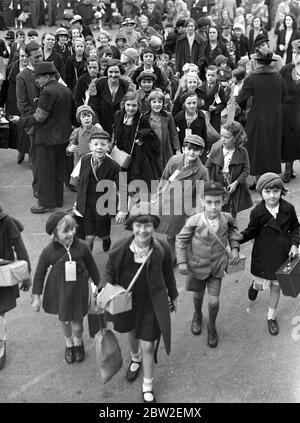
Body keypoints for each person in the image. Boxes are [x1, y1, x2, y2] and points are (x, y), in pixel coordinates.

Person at [103, 202, 178, 403]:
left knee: (148, 345)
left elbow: (168, 274)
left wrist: (174, 295)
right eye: (138, 225)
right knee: (131, 333)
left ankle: (147, 385)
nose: (143, 230)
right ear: (131, 225)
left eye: (148, 226)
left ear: (154, 227)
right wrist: (103, 287)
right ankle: (134, 357)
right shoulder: (120, 247)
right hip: (126, 301)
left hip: (151, 303)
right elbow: (109, 269)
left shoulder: (161, 248)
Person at [176, 181, 241, 347]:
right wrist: (182, 261)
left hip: (217, 266)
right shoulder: (195, 220)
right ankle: (197, 315)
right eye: (209, 202)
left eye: (217, 202)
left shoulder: (227, 218)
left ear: (223, 201)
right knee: (197, 295)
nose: (213, 207)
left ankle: (212, 325)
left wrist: (234, 249)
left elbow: (234, 232)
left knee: (214, 301)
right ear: (202, 202)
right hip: (197, 267)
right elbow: (181, 240)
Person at [31, 211, 101, 364]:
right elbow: (39, 273)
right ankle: (69, 344)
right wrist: (36, 296)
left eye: (73, 229)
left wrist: (100, 287)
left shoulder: (82, 246)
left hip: (78, 291)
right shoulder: (49, 251)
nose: (71, 233)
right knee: (65, 320)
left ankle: (78, 342)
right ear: (55, 235)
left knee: (77, 324)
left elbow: (93, 267)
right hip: (60, 291)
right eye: (65, 231)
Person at [240, 173, 300, 335]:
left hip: (282, 256)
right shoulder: (257, 212)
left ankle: (271, 316)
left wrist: (295, 244)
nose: (272, 195)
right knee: (260, 284)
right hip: (263, 256)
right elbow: (251, 231)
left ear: (281, 191)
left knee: (275, 287)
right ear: (260, 192)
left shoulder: (288, 208)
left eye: (276, 191)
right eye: (267, 191)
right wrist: (237, 238)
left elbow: (296, 228)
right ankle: (254, 287)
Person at [12, 62, 76, 214]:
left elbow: (40, 117)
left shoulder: (47, 92)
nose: (36, 81)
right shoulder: (65, 90)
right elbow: (73, 115)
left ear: (47, 76)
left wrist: (20, 120)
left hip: (46, 139)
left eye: (38, 78)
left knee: (45, 171)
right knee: (58, 171)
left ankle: (46, 203)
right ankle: (57, 200)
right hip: (63, 138)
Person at [155, 134, 209, 263]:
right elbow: (164, 177)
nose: (191, 152)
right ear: (184, 148)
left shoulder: (202, 171)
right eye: (188, 148)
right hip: (170, 200)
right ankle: (172, 255)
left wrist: (199, 212)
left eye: (195, 150)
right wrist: (159, 195)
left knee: (184, 232)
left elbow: (202, 193)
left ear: (201, 152)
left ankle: (183, 255)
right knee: (170, 231)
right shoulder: (174, 160)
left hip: (188, 204)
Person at [237, 49, 284, 190]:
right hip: (276, 116)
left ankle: (259, 181)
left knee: (258, 148)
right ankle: (270, 180)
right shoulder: (278, 77)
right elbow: (283, 95)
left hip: (258, 117)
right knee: (272, 147)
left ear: (257, 61)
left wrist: (243, 106)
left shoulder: (252, 78)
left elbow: (241, 99)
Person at [75, 130, 126, 252]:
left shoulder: (114, 166)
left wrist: (122, 210)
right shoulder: (85, 159)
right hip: (87, 205)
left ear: (109, 147)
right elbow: (81, 183)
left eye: (103, 144)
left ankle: (106, 239)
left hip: (103, 206)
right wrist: (77, 202)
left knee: (103, 232)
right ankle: (87, 261)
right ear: (90, 146)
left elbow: (123, 187)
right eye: (96, 144)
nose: (99, 147)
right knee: (89, 236)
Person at [0, 205, 31, 370]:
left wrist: (26, 276)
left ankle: (0, 346)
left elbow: (20, 249)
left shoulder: (7, 222)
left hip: (2, 276)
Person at [113, 90, 162, 190]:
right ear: (124, 104)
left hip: (136, 156)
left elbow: (151, 137)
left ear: (138, 106)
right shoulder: (119, 115)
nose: (131, 108)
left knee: (135, 184)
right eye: (128, 105)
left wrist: (142, 139)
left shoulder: (142, 119)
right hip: (121, 154)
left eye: (134, 105)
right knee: (121, 184)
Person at [205, 121, 253, 219]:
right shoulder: (216, 150)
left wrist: (236, 183)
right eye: (221, 136)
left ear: (236, 138)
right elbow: (207, 168)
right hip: (217, 182)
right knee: (217, 206)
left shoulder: (243, 152)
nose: (222, 139)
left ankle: (231, 225)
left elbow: (246, 170)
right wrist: (212, 185)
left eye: (226, 137)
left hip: (233, 183)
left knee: (231, 207)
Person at [15, 42, 43, 198]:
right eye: (36, 56)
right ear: (28, 57)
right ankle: (37, 185)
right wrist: (40, 117)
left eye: (41, 55)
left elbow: (62, 89)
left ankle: (61, 182)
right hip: (35, 124)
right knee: (36, 156)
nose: (40, 58)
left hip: (53, 123)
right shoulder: (21, 77)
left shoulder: (51, 70)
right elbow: (23, 106)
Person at [0, 47, 31, 164]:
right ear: (19, 56)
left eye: (27, 56)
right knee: (17, 130)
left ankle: (30, 155)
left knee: (28, 128)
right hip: (13, 103)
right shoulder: (10, 68)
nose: (24, 58)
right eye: (22, 56)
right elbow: (4, 88)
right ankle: (21, 151)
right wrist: (1, 105)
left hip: (28, 104)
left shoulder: (33, 69)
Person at [88, 59, 129, 135]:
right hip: (101, 125)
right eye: (111, 72)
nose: (113, 75)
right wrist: (96, 123)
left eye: (116, 72)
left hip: (120, 126)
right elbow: (92, 107)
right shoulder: (99, 84)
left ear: (121, 72)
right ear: (106, 72)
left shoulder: (126, 85)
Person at [143, 89, 180, 170]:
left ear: (163, 103)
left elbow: (174, 133)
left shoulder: (168, 116)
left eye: (160, 102)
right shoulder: (145, 117)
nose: (157, 104)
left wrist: (177, 149)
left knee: (166, 168)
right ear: (149, 103)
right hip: (152, 149)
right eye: (154, 102)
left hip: (165, 147)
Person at [280, 39, 300, 182]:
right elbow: (277, 86)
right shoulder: (286, 69)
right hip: (287, 112)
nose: (295, 55)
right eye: (294, 52)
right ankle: (288, 170)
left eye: (299, 53)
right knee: (289, 140)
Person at [174, 91, 208, 156]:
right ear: (184, 104)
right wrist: (177, 149)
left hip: (196, 147)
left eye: (194, 103)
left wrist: (205, 149)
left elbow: (204, 134)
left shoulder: (201, 116)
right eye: (189, 103)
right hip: (183, 148)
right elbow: (175, 135)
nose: (192, 106)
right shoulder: (179, 117)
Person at [66, 104, 99, 169]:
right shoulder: (77, 131)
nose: (86, 118)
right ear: (79, 119)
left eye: (89, 116)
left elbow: (106, 144)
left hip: (95, 163)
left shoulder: (98, 130)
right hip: (80, 164)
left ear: (92, 117)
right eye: (83, 116)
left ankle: (123, 179)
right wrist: (70, 149)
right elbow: (70, 146)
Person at [200, 65, 227, 133]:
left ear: (217, 76)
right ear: (206, 75)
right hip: (203, 114)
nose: (210, 77)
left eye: (213, 75)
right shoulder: (201, 86)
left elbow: (223, 103)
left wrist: (216, 108)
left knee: (213, 135)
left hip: (214, 116)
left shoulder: (219, 88)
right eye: (208, 75)